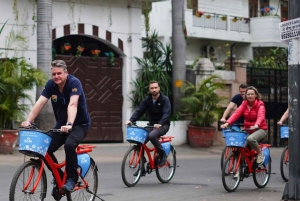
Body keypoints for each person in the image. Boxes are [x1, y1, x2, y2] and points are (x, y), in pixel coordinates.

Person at [21, 60, 91, 194]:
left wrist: (70, 124)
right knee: (43, 148)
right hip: (60, 126)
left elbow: (73, 104)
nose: (56, 76)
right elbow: (40, 103)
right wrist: (28, 121)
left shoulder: (74, 83)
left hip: (79, 125)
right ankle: (58, 176)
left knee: (69, 145)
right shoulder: (51, 85)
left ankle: (71, 178)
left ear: (66, 73)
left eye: (59, 73)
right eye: (54, 74)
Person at [125, 80, 171, 175]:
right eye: (152, 88)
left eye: (155, 87)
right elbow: (139, 111)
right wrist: (131, 120)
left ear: (159, 88)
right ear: (149, 89)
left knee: (152, 135)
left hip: (164, 125)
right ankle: (141, 167)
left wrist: (161, 123)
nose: (154, 90)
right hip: (151, 125)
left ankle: (162, 154)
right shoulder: (147, 100)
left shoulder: (165, 100)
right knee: (139, 140)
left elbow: (167, 114)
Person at [220, 86, 268, 166]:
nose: (250, 96)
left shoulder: (260, 105)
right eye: (248, 94)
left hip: (260, 129)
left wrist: (256, 125)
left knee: (250, 139)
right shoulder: (244, 104)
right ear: (245, 95)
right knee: (240, 146)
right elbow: (236, 113)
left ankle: (260, 154)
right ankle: (241, 169)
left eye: (252, 94)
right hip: (248, 129)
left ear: (256, 95)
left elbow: (261, 116)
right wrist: (227, 123)